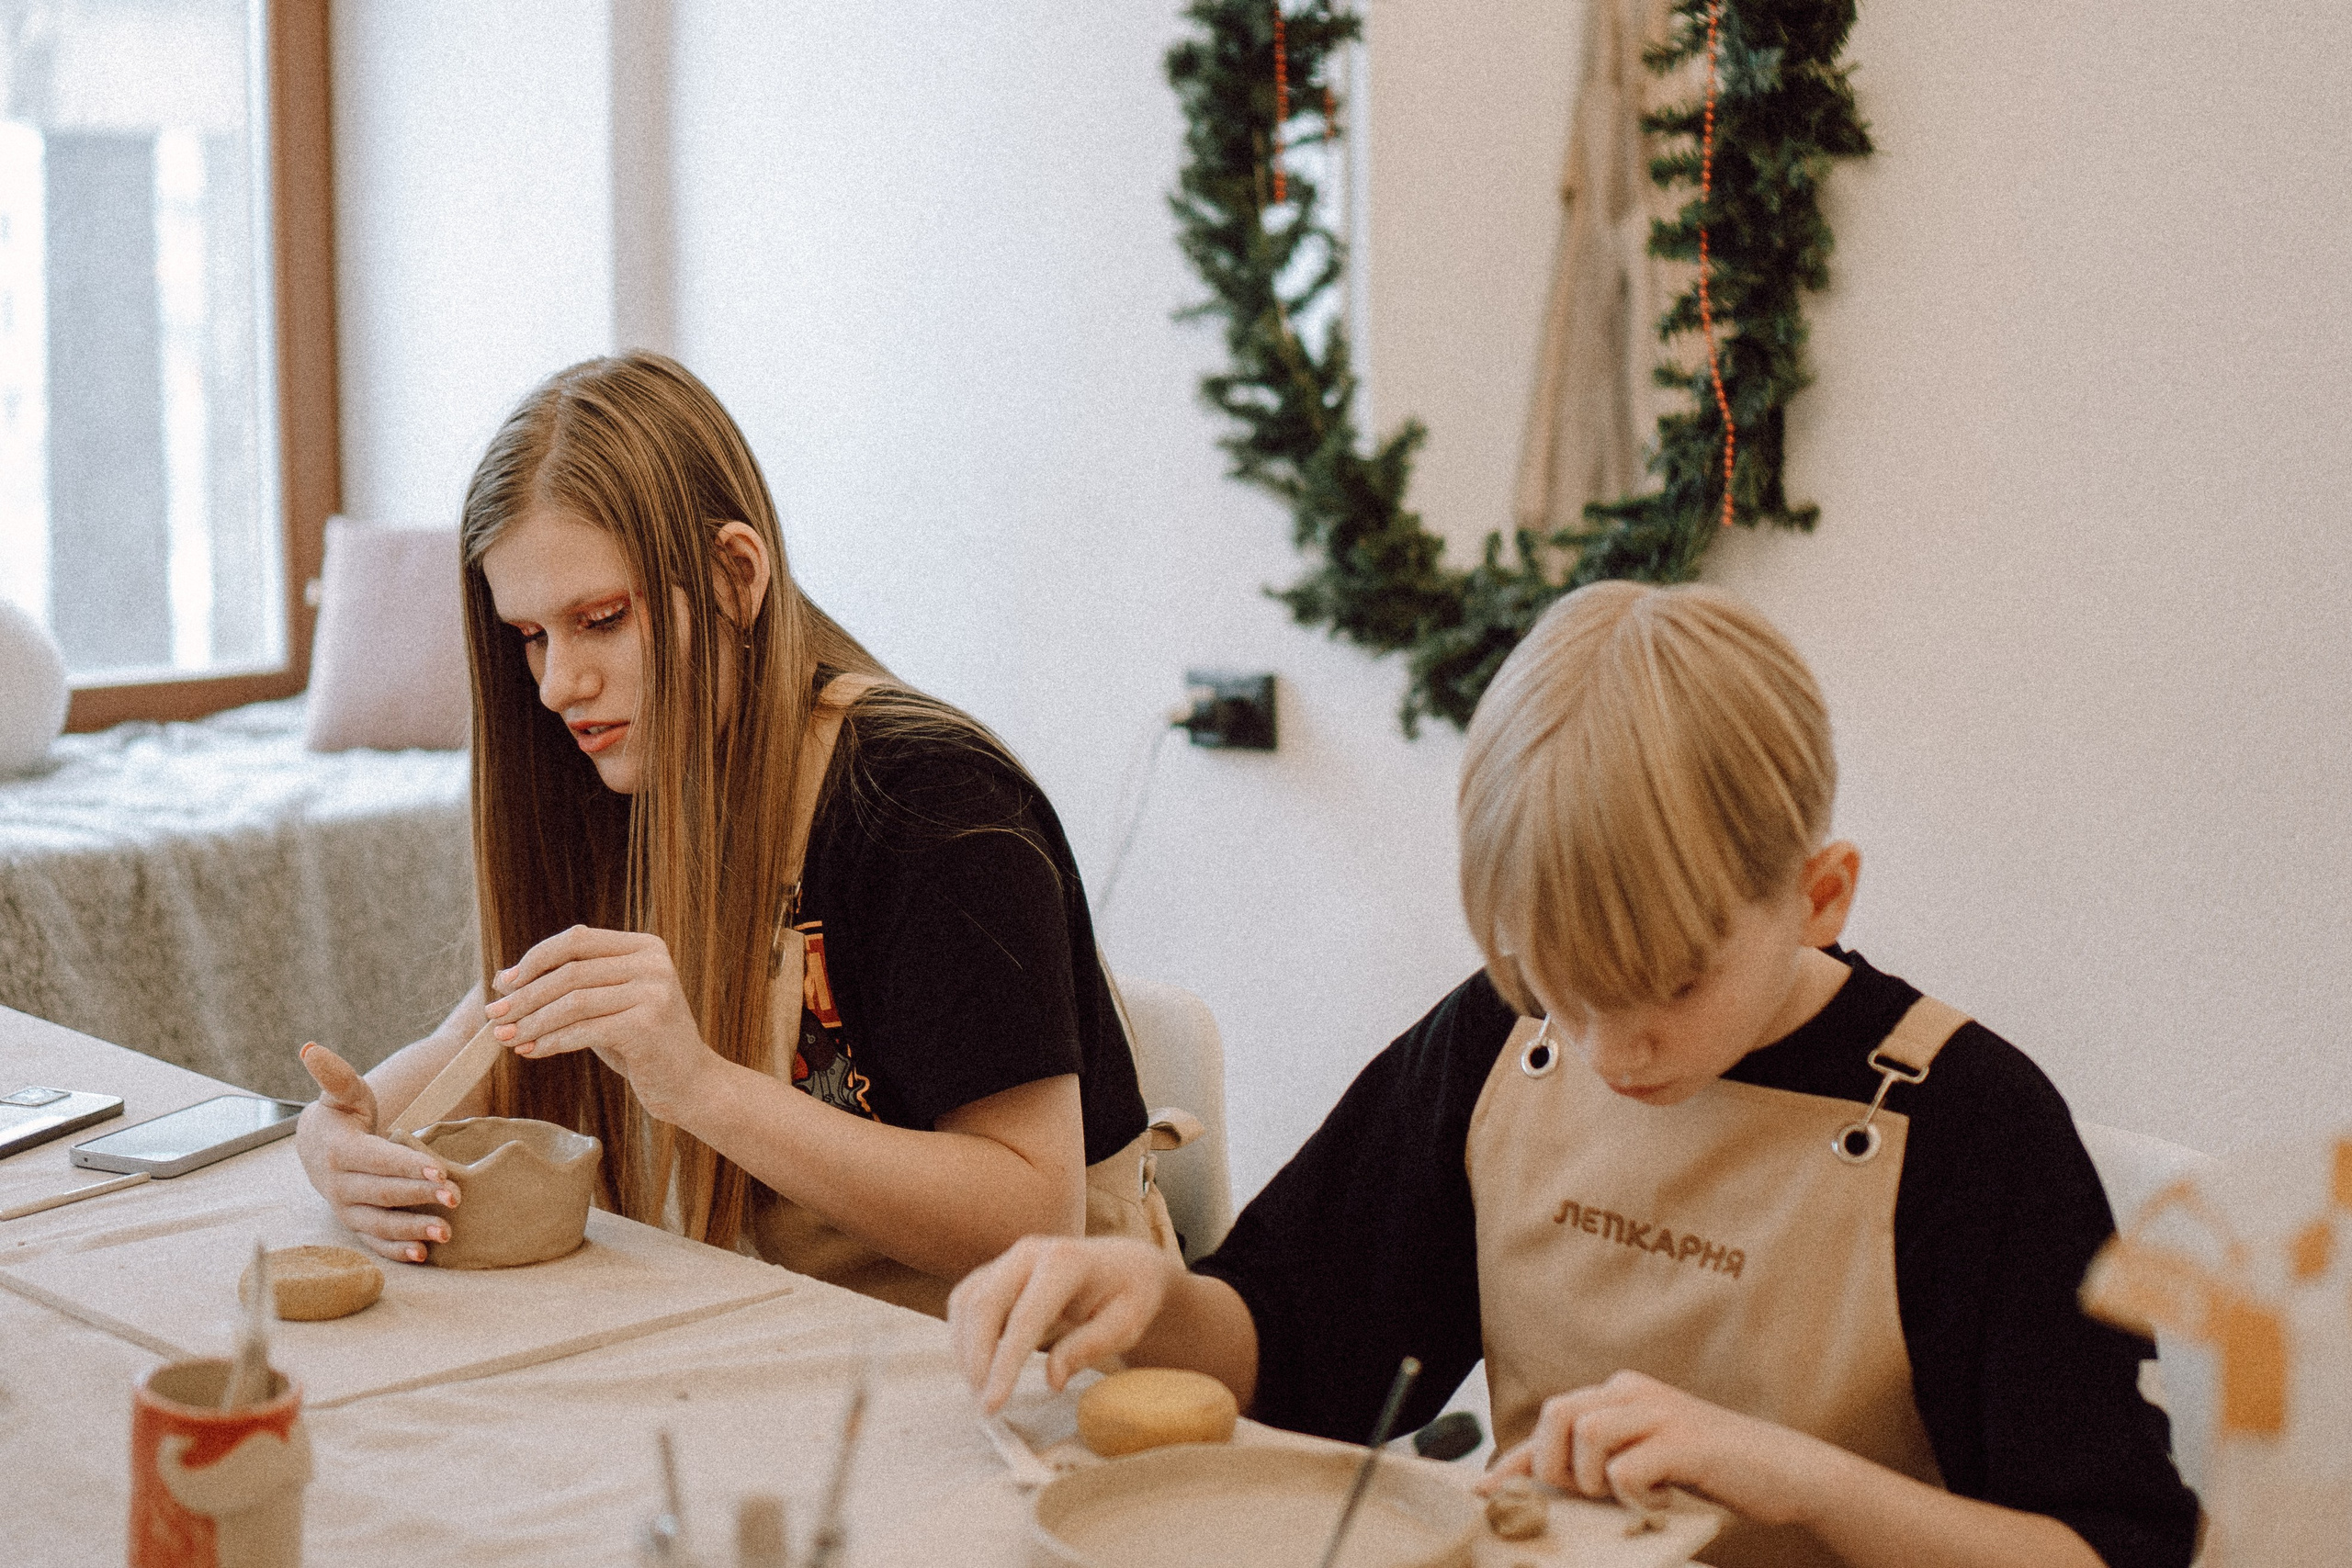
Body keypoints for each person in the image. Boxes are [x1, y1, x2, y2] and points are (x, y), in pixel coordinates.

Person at [948, 582, 2200, 1567]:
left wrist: (1793, 1476)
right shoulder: (1496, 1043)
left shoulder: (1972, 1129)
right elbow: (1306, 1350)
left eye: (1672, 987)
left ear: (1819, 897)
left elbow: (2109, 1548)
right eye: (1560, 985)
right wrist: (1151, 1298)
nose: (1610, 1051)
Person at [295, 352, 1162, 1315]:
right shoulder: (629, 772)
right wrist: (343, 1134)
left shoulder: (934, 804)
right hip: (805, 1329)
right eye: (531, 637)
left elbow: (1031, 1216)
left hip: (1030, 1354)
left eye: (601, 619)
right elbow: (478, 1037)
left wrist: (700, 1086)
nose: (557, 686)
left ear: (736, 576)